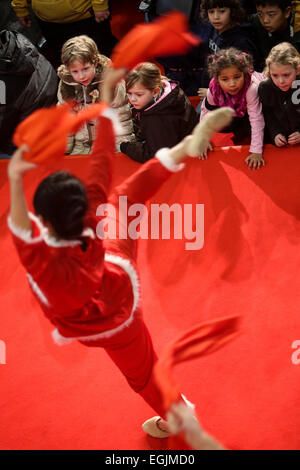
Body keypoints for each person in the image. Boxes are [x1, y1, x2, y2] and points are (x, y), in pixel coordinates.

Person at [7, 65, 233, 438]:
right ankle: (181, 150)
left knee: (142, 377)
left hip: (104, 328)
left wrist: (15, 178)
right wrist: (108, 100)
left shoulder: (38, 261)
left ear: (43, 223)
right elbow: (102, 157)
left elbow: (18, 224)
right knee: (127, 196)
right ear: (80, 207)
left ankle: (179, 417)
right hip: (117, 278)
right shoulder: (90, 210)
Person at [57, 35, 134, 155]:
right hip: (80, 145)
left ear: (95, 62)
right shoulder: (66, 85)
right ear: (68, 69)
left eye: (85, 69)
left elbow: (122, 117)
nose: (81, 76)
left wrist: (121, 149)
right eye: (75, 71)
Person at [119, 62, 199, 163]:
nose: (132, 99)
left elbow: (155, 155)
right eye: (129, 94)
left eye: (139, 95)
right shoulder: (172, 93)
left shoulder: (156, 117)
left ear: (155, 91)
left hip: (182, 165)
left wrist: (127, 147)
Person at [200, 47, 266, 169]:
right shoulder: (213, 90)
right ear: (217, 80)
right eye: (225, 79)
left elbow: (257, 119)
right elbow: (206, 112)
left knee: (256, 129)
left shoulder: (251, 88)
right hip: (235, 109)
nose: (232, 84)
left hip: (259, 107)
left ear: (244, 74)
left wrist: (256, 151)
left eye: (237, 77)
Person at [0, 29, 58, 156]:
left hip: (28, 137)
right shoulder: (14, 39)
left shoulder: (4, 84)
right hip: (43, 103)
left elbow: (3, 123)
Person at [11, 0, 118, 67]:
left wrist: (100, 6)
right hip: (48, 21)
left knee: (102, 49)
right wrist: (20, 8)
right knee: (63, 54)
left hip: (85, 16)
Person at [197, 0, 259, 98]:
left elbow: (245, 81)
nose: (216, 17)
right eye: (211, 12)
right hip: (210, 93)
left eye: (222, 11)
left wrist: (212, 93)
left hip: (229, 100)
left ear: (233, 12)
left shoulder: (241, 41)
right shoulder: (214, 29)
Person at [258, 42, 300, 147]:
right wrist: (275, 133)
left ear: (297, 69)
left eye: (286, 75)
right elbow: (268, 114)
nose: (281, 81)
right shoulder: (265, 88)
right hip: (282, 144)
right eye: (275, 75)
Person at [249, 0, 300, 71]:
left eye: (271, 14)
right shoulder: (255, 22)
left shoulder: (297, 27)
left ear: (287, 12)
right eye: (260, 14)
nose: (265, 20)